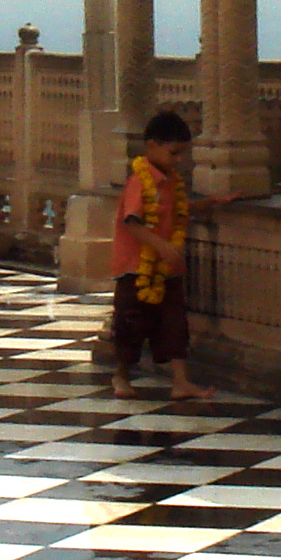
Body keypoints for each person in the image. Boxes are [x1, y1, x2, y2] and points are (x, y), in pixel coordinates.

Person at [111, 110, 224, 401]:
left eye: (181, 155)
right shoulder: (141, 180)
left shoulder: (171, 182)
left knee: (174, 323)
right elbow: (131, 221)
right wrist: (160, 245)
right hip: (136, 269)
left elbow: (179, 210)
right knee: (131, 324)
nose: (178, 161)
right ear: (152, 146)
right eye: (173, 153)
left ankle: (180, 381)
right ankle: (121, 376)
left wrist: (210, 203)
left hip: (167, 269)